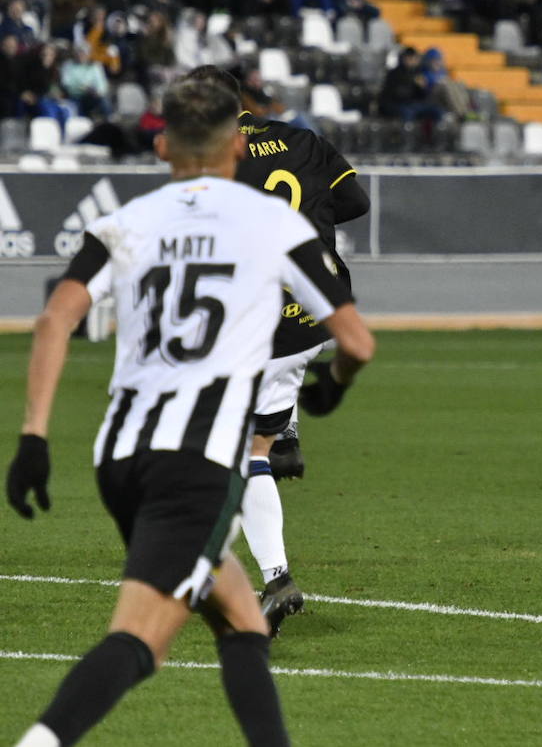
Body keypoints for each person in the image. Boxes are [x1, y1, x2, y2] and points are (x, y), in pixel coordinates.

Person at [4, 78, 374, 747]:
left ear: (160, 142)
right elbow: (356, 341)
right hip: (194, 464)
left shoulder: (124, 224)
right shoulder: (273, 226)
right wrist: (331, 387)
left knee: (241, 621)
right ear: (238, 144)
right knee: (141, 638)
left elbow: (56, 318)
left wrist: (34, 436)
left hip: (118, 455)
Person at [182, 65, 371, 636]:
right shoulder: (303, 139)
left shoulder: (214, 157)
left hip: (255, 323)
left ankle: (272, 574)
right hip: (315, 310)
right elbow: (355, 202)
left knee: (228, 454)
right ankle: (283, 428)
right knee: (258, 433)